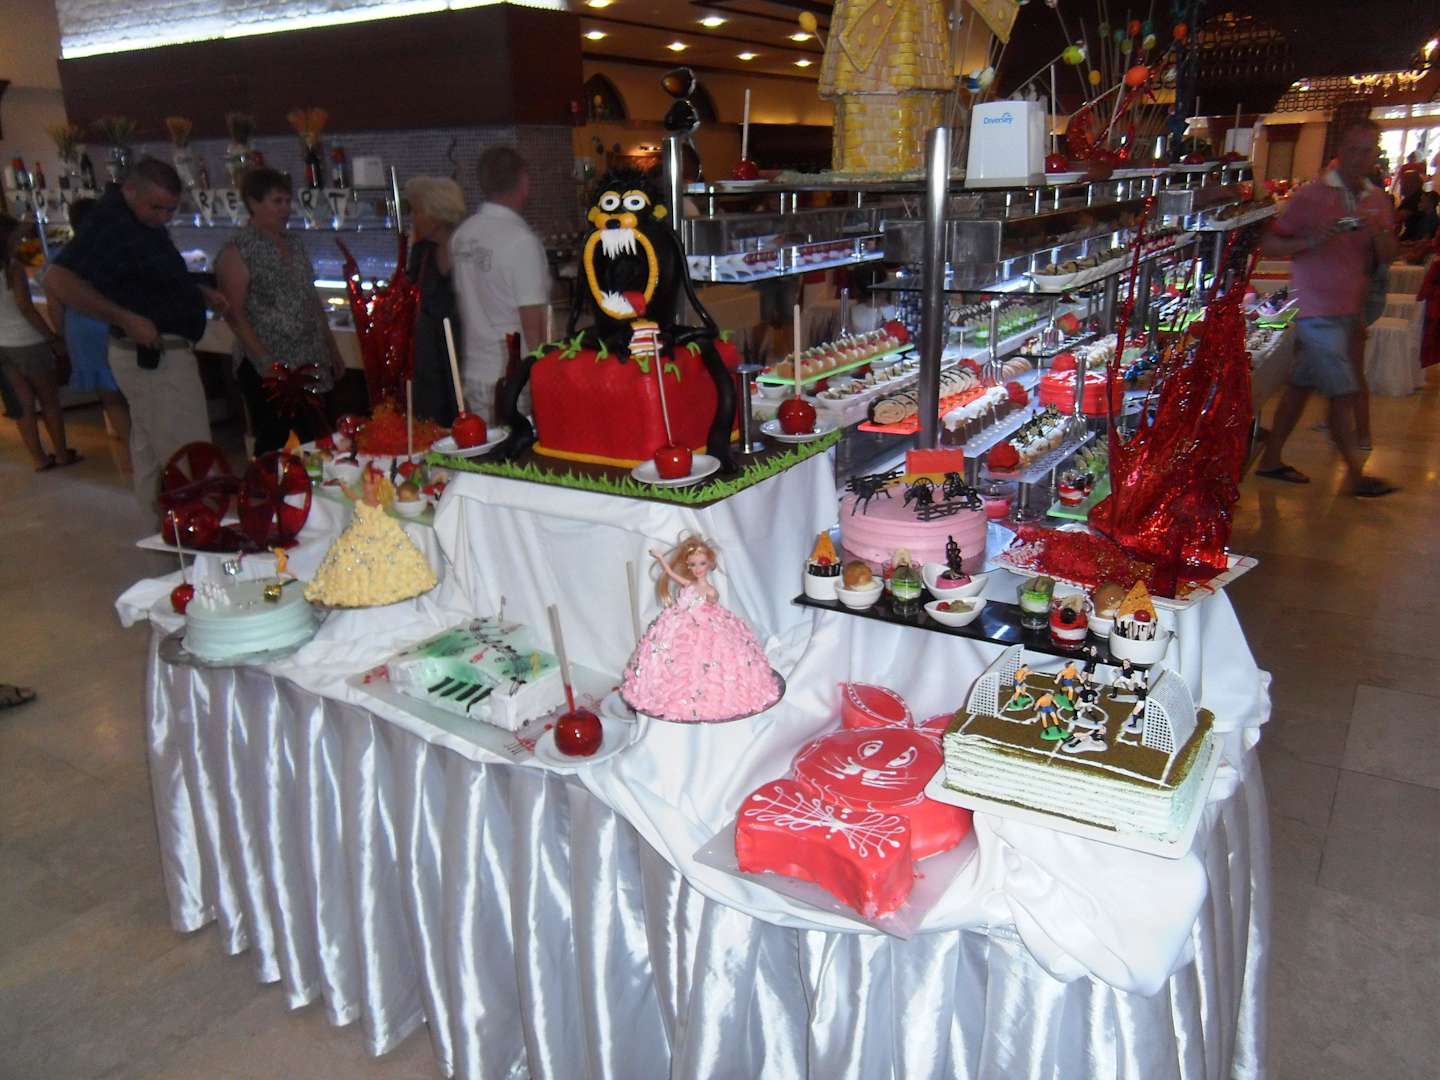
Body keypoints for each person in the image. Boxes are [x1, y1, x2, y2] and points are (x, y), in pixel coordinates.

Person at [43, 158, 227, 508]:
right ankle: (197, 527)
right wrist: (125, 318)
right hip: (155, 358)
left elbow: (146, 278)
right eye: (156, 207)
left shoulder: (139, 220)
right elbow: (57, 279)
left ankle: (161, 531)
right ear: (130, 190)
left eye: (170, 210)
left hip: (159, 355)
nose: (163, 217)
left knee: (151, 452)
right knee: (188, 456)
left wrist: (197, 291)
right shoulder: (109, 222)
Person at [1255, 121, 1398, 498]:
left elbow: (1387, 257)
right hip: (1314, 310)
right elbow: (1269, 243)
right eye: (1352, 149)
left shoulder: (1377, 200)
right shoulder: (1311, 197)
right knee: (1341, 391)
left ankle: (1271, 458)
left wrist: (1378, 231)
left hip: (1346, 310)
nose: (1358, 158)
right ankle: (1355, 473)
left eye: (1366, 151)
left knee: (1300, 388)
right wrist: (1312, 240)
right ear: (1340, 150)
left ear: (1375, 154)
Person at [215, 167, 345, 453]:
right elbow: (234, 313)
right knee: (278, 442)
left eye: (287, 201)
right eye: (277, 201)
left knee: (317, 437)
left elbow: (311, 298)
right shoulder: (238, 249)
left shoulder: (294, 243)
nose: (285, 208)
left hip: (311, 358)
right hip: (271, 365)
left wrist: (332, 348)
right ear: (253, 203)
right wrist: (266, 362)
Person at [450, 147, 550, 421]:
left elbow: (465, 300)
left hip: (474, 372)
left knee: (484, 445)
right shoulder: (521, 241)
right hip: (514, 378)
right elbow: (533, 325)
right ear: (524, 181)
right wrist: (545, 381)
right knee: (521, 447)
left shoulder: (463, 235)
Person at [44, 196, 132, 478]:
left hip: (82, 329)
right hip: (116, 323)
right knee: (132, 389)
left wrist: (61, 334)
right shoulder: (113, 251)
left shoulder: (62, 259)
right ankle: (146, 448)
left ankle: (132, 450)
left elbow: (55, 306)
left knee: (110, 397)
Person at [0, 214, 79, 471]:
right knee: (48, 400)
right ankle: (62, 454)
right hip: (28, 341)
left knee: (21, 404)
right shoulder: (12, 268)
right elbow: (26, 308)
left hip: (3, 345)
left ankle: (39, 458)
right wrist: (51, 337)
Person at [404, 175, 466, 425]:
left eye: (418, 211)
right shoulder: (421, 253)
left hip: (463, 353)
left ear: (437, 212)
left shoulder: (468, 249)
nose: (413, 218)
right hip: (428, 358)